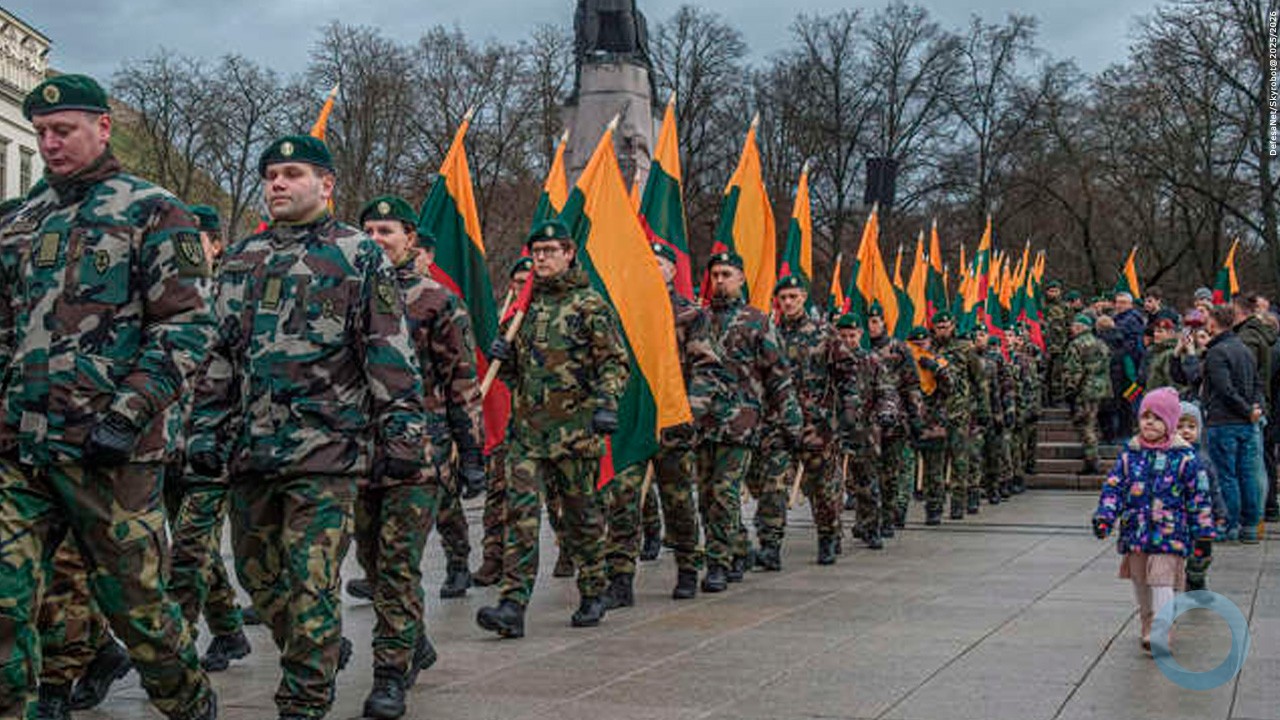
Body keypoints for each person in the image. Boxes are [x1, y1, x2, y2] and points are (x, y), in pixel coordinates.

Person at [0, 74, 218, 720]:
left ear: (102, 128)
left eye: (62, 130)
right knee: (5, 599)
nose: (49, 145)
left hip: (112, 452)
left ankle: (190, 703)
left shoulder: (153, 210)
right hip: (21, 449)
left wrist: (127, 414)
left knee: (140, 609)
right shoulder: (21, 220)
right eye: (40, 133)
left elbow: (185, 328)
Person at [188, 135, 428, 720]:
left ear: (325, 185)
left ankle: (303, 702)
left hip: (327, 455)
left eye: (292, 173)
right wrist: (204, 430)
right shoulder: (242, 259)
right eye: (270, 174)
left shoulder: (357, 255)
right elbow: (219, 357)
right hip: (252, 454)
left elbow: (387, 349)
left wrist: (402, 434)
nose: (277, 183)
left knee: (312, 584)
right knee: (258, 578)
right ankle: (316, 647)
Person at [352, 196, 482, 718]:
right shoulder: (345, 290)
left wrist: (471, 450)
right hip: (359, 450)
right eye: (369, 230)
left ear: (410, 239)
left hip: (420, 452)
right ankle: (415, 640)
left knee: (400, 563)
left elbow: (462, 380)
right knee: (372, 562)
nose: (377, 239)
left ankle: (389, 674)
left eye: (387, 230)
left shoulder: (436, 300)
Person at [475, 219, 628, 637]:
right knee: (519, 517)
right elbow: (514, 374)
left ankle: (594, 589)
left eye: (549, 251)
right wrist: (503, 357)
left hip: (575, 432)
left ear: (568, 253)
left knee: (581, 518)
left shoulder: (589, 304)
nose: (540, 258)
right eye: (536, 252)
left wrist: (606, 403)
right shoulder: (523, 308)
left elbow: (614, 362)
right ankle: (512, 604)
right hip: (527, 433)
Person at [167, 203, 251, 676]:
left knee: (188, 551)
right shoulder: (164, 294)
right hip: (166, 441)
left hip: (215, 445)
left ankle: (174, 658)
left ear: (215, 245)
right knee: (189, 545)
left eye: (194, 238)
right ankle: (229, 630)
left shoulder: (233, 294)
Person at [700, 251, 801, 590]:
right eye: (715, 274)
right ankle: (738, 546)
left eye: (726, 274)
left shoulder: (757, 322)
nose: (720, 280)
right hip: (702, 422)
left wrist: (791, 422)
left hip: (740, 423)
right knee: (705, 495)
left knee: (724, 492)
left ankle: (719, 561)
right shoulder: (698, 320)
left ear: (741, 278)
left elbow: (778, 376)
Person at [1092, 388, 1215, 654]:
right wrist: (1105, 517)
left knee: (1161, 581)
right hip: (1136, 532)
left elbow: (1199, 498)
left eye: (1157, 418)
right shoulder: (1130, 454)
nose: (1149, 422)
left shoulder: (1185, 458)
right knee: (1141, 582)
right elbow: (1113, 487)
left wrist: (1203, 534)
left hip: (1170, 534)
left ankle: (1161, 630)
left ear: (1169, 424)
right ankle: (1147, 621)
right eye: (1145, 416)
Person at [644, 241, 724, 597]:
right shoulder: (627, 309)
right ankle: (616, 577)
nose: (653, 269)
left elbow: (706, 368)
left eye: (660, 263)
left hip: (674, 421)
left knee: (677, 500)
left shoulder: (691, 315)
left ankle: (689, 566)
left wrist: (691, 411)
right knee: (623, 499)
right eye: (647, 262)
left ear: (673, 271)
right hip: (637, 420)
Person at [773, 275, 858, 565]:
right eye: (783, 298)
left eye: (793, 297)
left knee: (823, 487)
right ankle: (770, 544)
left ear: (803, 298)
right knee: (773, 485)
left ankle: (828, 536)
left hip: (816, 424)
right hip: (780, 422)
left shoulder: (824, 333)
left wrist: (848, 409)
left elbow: (848, 371)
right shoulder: (771, 334)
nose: (788, 303)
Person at [472, 255, 535, 588]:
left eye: (529, 282)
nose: (522, 287)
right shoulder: (502, 323)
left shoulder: (543, 321)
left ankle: (573, 554)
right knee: (497, 494)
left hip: (541, 426)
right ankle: (494, 561)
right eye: (518, 282)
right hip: (504, 423)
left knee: (556, 502)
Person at [1198, 304, 1264, 543]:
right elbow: (1257, 383)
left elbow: (1225, 389)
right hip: (1246, 423)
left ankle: (1229, 525)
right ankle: (1249, 526)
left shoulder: (1217, 352)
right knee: (1247, 474)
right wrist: (1255, 409)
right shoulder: (1244, 349)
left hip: (1223, 421)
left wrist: (1248, 410)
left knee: (1226, 476)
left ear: (1214, 323)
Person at [833, 314, 899, 548]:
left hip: (865, 428)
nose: (848, 340)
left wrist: (887, 412)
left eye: (852, 335)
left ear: (860, 335)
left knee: (866, 481)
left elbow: (886, 390)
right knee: (833, 483)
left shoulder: (871, 360)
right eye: (843, 336)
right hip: (834, 427)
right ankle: (831, 533)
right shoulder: (829, 361)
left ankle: (870, 526)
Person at [866, 304, 922, 530]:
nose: (871, 326)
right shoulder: (854, 348)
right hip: (865, 421)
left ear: (884, 323)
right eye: (868, 321)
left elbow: (912, 385)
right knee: (866, 474)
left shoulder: (898, 349)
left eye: (875, 321)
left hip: (893, 422)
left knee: (890, 472)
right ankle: (869, 519)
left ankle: (888, 517)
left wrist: (916, 416)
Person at [904, 327, 952, 525]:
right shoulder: (904, 362)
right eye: (916, 344)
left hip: (933, 421)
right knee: (904, 469)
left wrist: (935, 369)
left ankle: (934, 508)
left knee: (934, 469)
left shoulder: (939, 360)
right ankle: (899, 510)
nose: (920, 347)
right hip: (909, 420)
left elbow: (951, 387)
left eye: (923, 343)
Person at [1177, 402, 1226, 591]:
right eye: (1179, 427)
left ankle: (1196, 577)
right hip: (1178, 516)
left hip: (1202, 517)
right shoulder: (1169, 458)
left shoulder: (1203, 458)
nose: (1185, 431)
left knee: (1202, 551)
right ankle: (1178, 579)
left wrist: (1219, 511)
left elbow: (1214, 488)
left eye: (1191, 426)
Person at [1063, 314, 1113, 475]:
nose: (1071, 329)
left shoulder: (1076, 344)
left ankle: (1092, 461)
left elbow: (1074, 371)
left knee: (1085, 426)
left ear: (1080, 327)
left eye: (1074, 326)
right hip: (1100, 389)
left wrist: (1070, 390)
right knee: (1091, 424)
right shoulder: (1101, 344)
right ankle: (1092, 459)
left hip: (1084, 390)